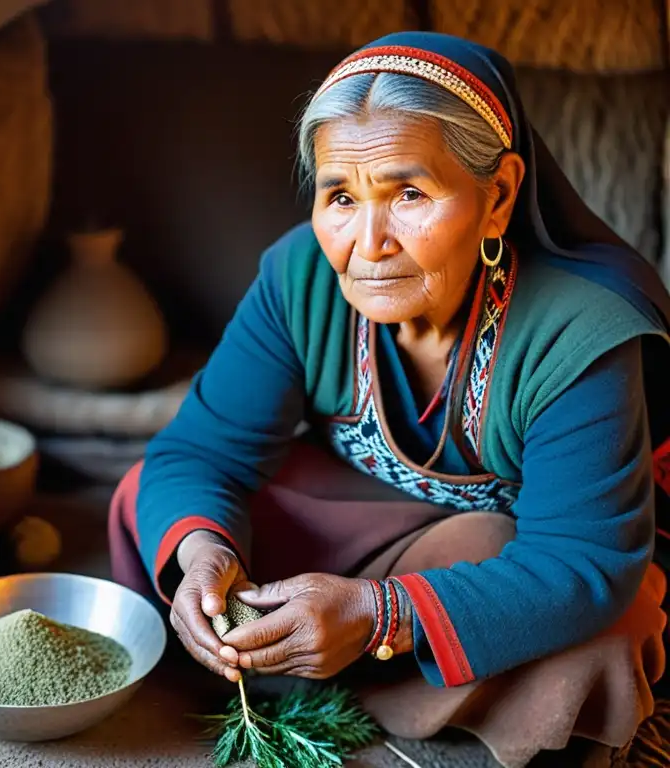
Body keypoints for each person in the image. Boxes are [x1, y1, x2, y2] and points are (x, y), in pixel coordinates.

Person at [108, 31, 670, 768]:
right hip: (369, 526)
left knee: (608, 621)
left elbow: (581, 558)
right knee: (159, 501)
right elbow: (201, 451)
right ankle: (342, 659)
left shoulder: (579, 327)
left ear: (497, 196)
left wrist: (383, 614)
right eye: (341, 196)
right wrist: (206, 555)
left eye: (409, 193)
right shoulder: (300, 277)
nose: (367, 241)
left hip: (499, 559)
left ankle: (329, 664)